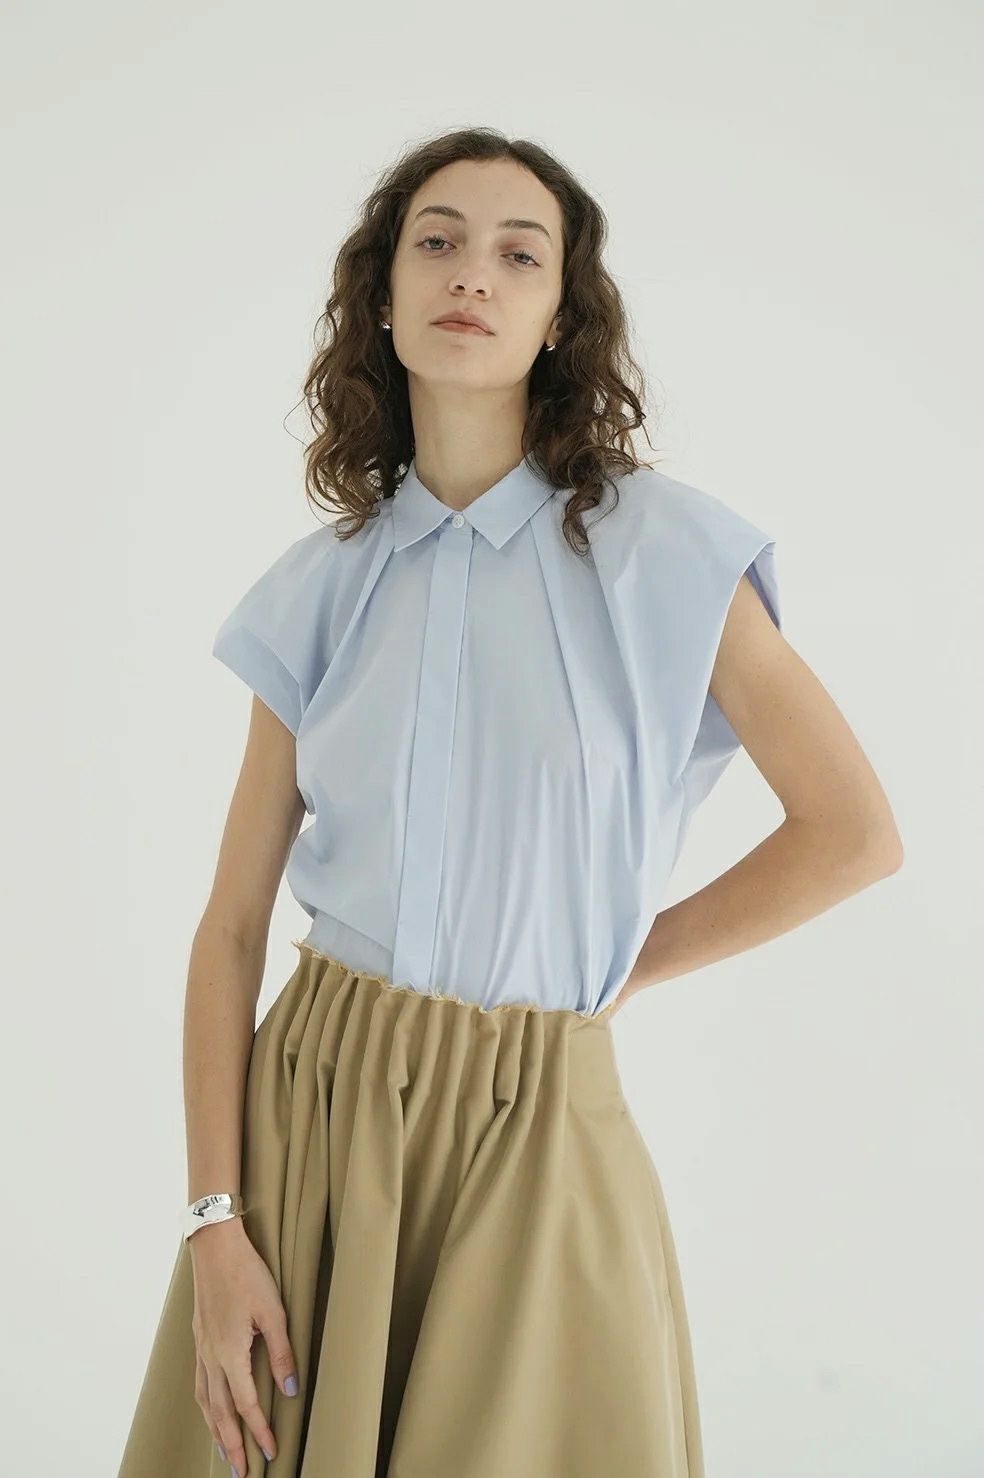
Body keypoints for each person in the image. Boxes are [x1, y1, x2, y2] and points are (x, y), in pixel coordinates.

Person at [117, 127, 903, 1478]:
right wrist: (213, 1223)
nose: (471, 273)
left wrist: (618, 971)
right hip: (313, 1115)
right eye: (436, 241)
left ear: (559, 319)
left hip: (540, 1120)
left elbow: (854, 832)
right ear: (382, 298)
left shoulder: (666, 553)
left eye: (518, 254)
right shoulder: (320, 587)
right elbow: (230, 929)